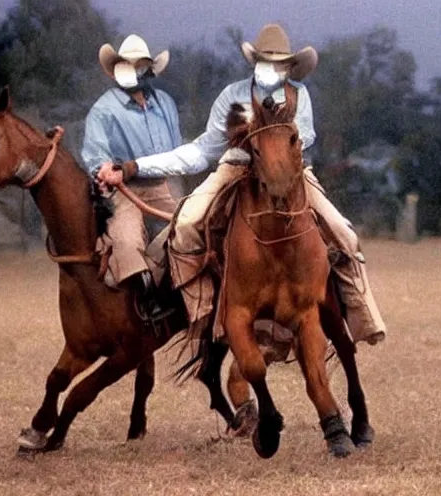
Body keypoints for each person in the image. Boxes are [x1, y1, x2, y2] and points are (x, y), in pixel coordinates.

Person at [96, 24, 386, 345]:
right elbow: (201, 150)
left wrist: (272, 146)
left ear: (290, 67)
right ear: (255, 61)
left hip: (290, 176)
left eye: (279, 63)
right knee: (187, 224)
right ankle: (202, 311)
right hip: (233, 170)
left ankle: (363, 316)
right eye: (265, 60)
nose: (271, 68)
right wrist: (135, 166)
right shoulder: (231, 96)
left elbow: (305, 136)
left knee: (344, 233)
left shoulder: (298, 96)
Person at [81, 34, 183, 313]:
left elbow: (177, 151)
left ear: (148, 69)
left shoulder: (165, 104)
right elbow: (95, 154)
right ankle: (144, 298)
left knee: (190, 228)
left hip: (163, 184)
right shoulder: (103, 109)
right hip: (124, 189)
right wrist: (104, 168)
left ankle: (186, 292)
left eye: (138, 64)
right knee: (126, 240)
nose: (131, 69)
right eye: (126, 64)